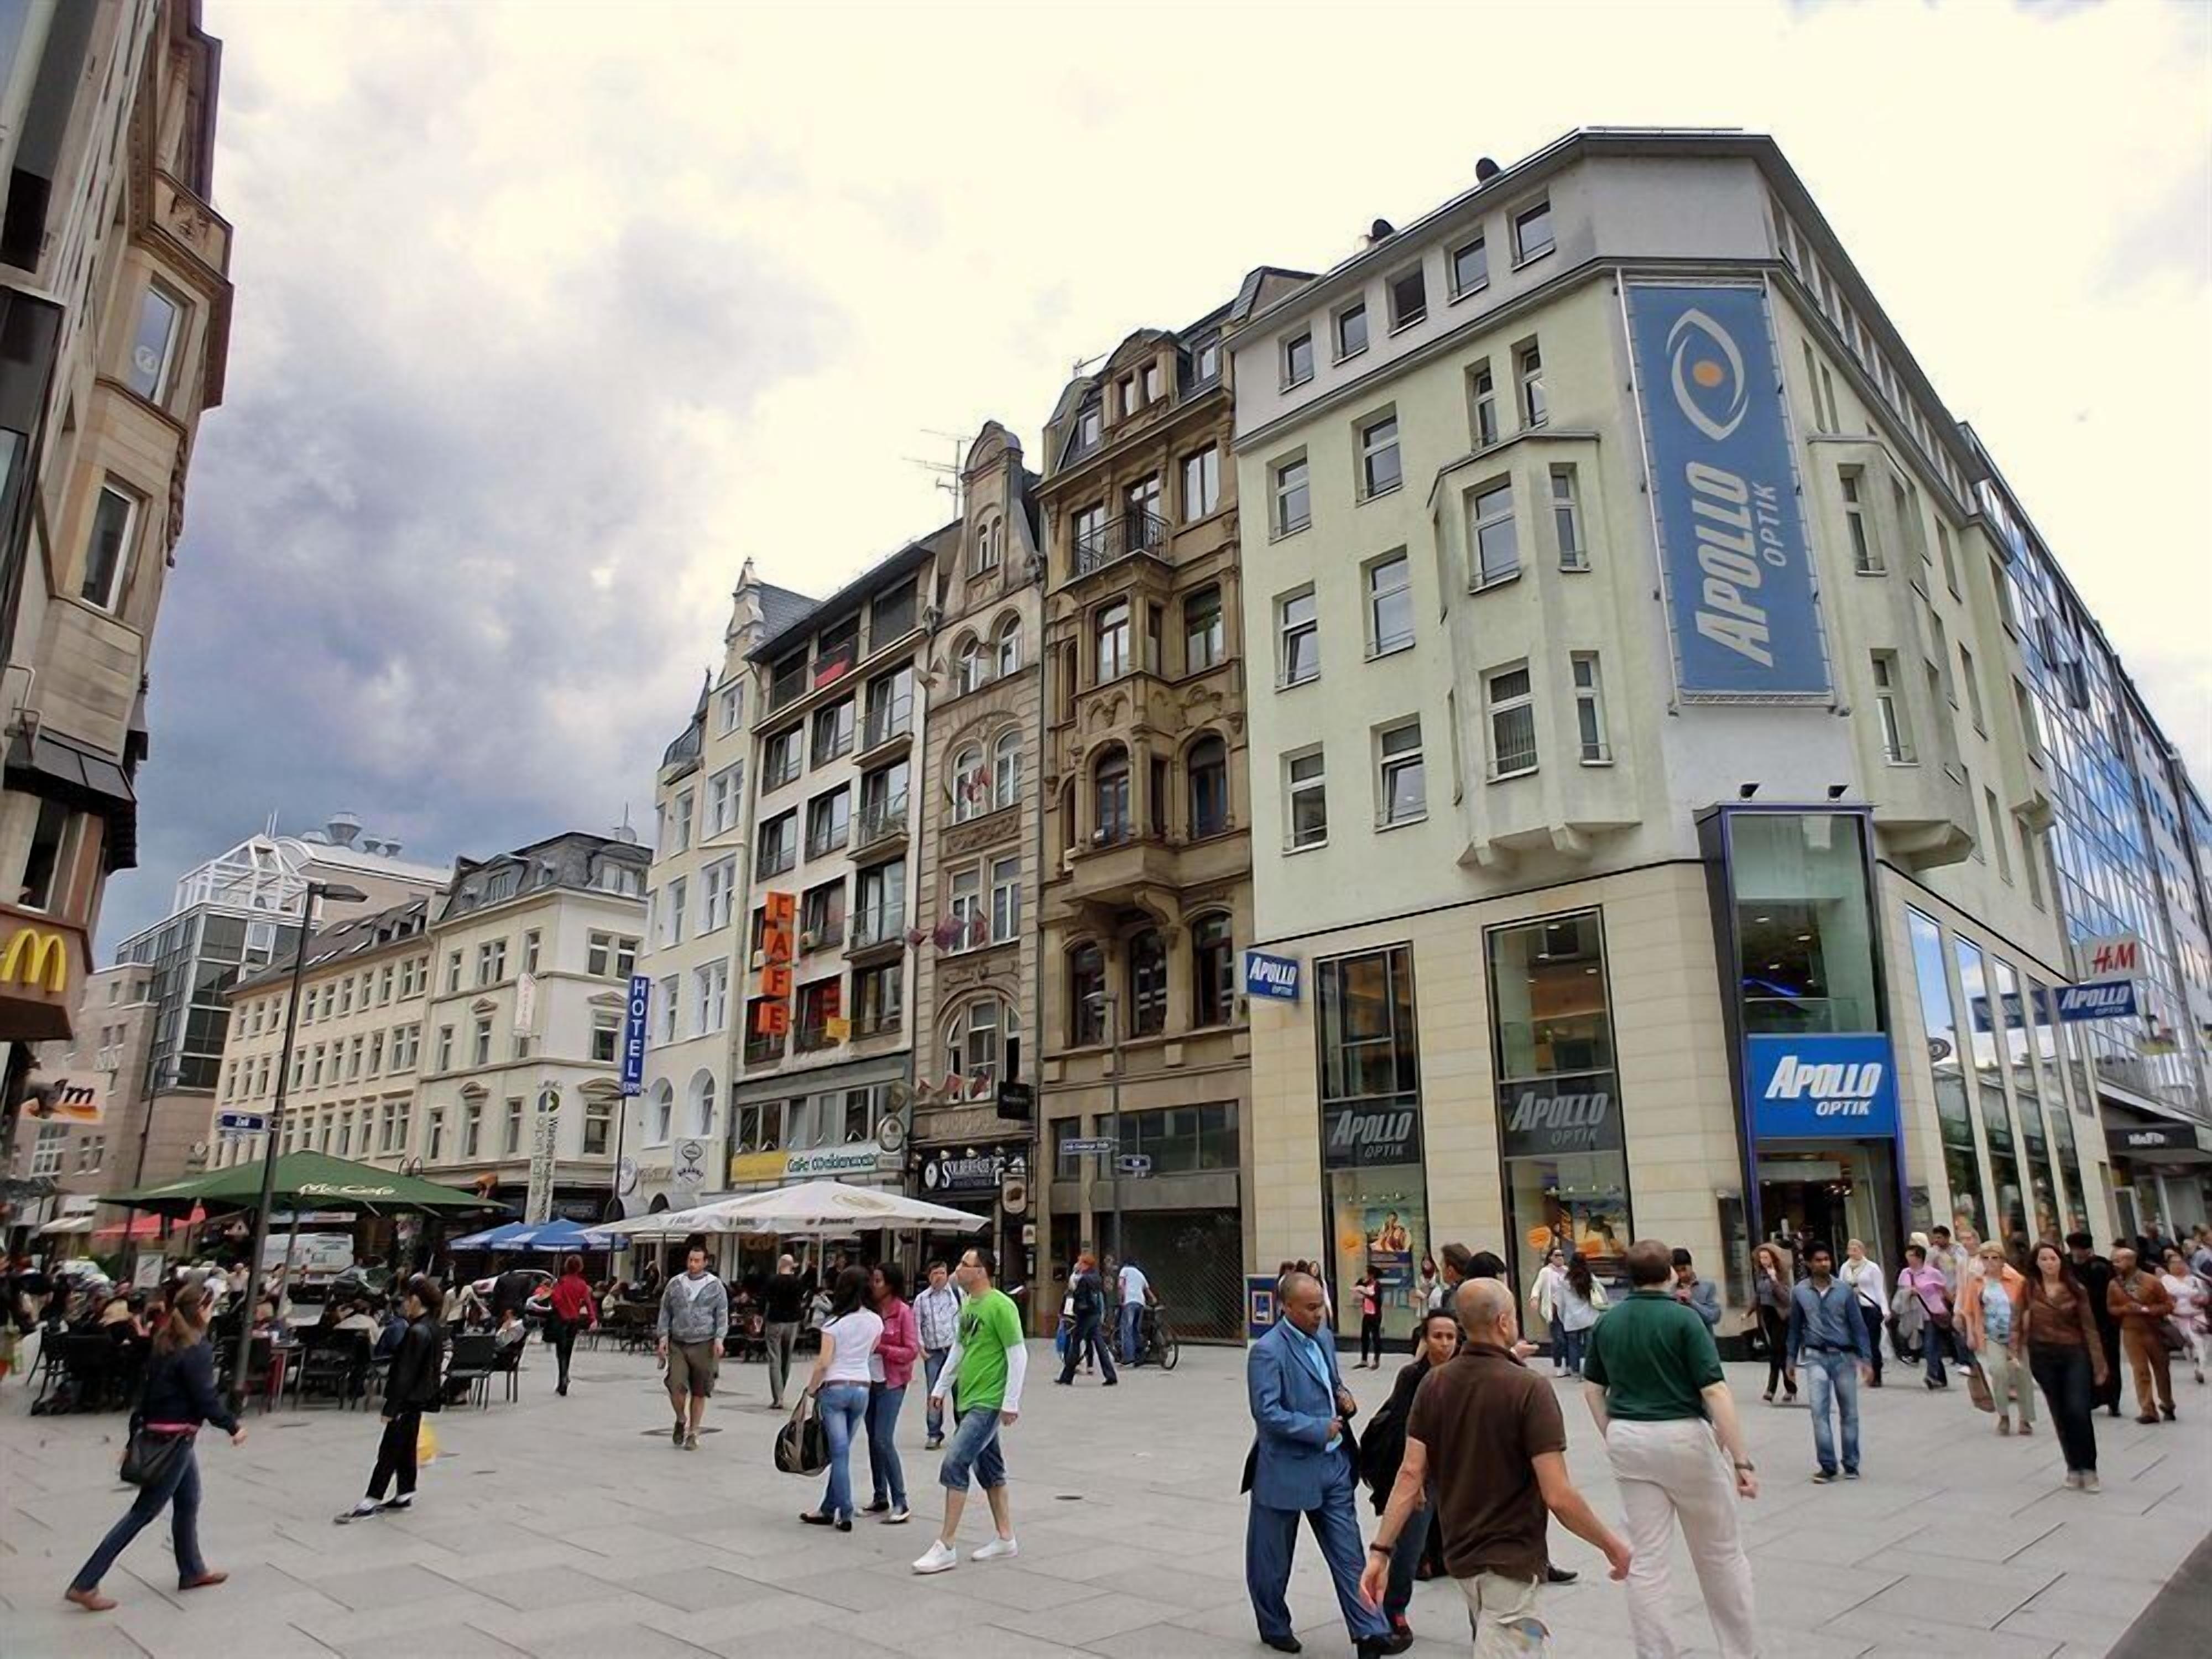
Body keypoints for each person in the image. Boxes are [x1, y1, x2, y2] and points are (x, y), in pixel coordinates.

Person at [1363, 1279, 1631, 1656]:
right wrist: (1612, 1545)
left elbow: (1409, 1475)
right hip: (1511, 1562)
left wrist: (1381, 1550)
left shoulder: (1434, 1384)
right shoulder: (1529, 1388)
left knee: (1523, 1641)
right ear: (1504, 1322)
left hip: (1463, 1556)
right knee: (1517, 1644)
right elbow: (1558, 1494)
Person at [1575, 1239, 1759, 1657]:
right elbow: (1714, 1391)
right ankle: (1741, 1651)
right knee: (1721, 1555)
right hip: (1684, 1434)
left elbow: (1592, 1389)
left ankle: (1655, 1653)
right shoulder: (1684, 1319)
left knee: (1646, 1562)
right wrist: (1741, 1460)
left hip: (1628, 1436)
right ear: (1671, 1273)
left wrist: (1612, 1433)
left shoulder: (1608, 1322)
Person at [64, 1284, 245, 1612]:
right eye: (211, 1306)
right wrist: (233, 1426)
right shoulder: (197, 1348)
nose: (212, 1312)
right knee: (143, 1512)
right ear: (201, 1310)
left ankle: (192, 1570)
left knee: (188, 1500)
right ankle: (85, 1583)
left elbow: (145, 1396)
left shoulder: (166, 1342)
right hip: (175, 1441)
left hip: (164, 1435)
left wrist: (135, 1435)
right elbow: (205, 1398)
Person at [1241, 1271, 1392, 1657]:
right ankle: (1274, 1625)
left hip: (1334, 1465)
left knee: (1349, 1553)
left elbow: (1331, 1383)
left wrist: (1343, 1396)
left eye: (1320, 1306)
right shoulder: (1268, 1351)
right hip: (1285, 1470)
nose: (1318, 1314)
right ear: (1286, 1307)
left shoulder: (1323, 1338)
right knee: (1271, 1562)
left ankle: (1370, 1632)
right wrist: (1315, 1428)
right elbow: (1267, 1413)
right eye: (1309, 1308)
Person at [912, 1246, 1025, 1574]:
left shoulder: (1000, 1305)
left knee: (955, 1463)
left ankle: (946, 1545)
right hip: (969, 1397)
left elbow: (1018, 1354)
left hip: (988, 1401)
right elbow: (960, 1349)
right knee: (990, 1470)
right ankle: (1006, 1538)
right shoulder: (968, 1306)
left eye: (964, 1264)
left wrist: (1010, 1402)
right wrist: (940, 1388)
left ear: (981, 1272)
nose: (957, 1270)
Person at [1358, 1306, 1460, 1650]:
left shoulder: (1465, 1375)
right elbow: (1401, 1428)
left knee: (1473, 1547)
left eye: (1450, 1337)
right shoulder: (1412, 1376)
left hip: (1459, 1474)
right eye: (1438, 1336)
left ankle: (1485, 1622)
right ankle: (1394, 1611)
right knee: (1408, 1546)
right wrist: (1412, 1482)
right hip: (1422, 1475)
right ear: (1425, 1339)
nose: (1444, 1343)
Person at [335, 1277, 442, 1524]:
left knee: (390, 1449)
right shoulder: (433, 1327)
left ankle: (371, 1499)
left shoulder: (416, 1331)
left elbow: (405, 1372)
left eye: (407, 1299)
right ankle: (405, 1492)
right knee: (406, 1445)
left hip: (406, 1400)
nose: (404, 1304)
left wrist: (392, 1406)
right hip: (419, 1398)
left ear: (416, 1300)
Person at [2021, 1241, 2109, 1492]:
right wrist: (2014, 1351)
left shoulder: (2075, 1289)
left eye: (2054, 1259)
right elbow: (2018, 1320)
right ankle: (2073, 1466)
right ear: (2036, 1263)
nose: (2049, 1263)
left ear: (2061, 1261)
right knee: (2060, 1412)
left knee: (2078, 1409)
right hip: (2043, 1355)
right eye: (2044, 1259)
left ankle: (2089, 1468)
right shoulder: (2029, 1289)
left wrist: (2099, 1363)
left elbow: (2090, 1328)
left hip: (2074, 1352)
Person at [800, 1266, 882, 1531]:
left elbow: (824, 1362)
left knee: (839, 1452)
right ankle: (827, 1508)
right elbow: (870, 1351)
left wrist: (812, 1389)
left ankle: (844, 1509)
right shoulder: (876, 1321)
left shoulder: (834, 1324)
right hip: (862, 1387)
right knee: (843, 1450)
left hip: (835, 1388)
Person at [1785, 1241, 1872, 1483]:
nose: (1824, 1264)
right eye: (1819, 1260)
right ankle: (1828, 1465)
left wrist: (1866, 1359)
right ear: (1809, 1264)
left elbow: (1858, 1327)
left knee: (1849, 1413)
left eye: (1827, 1259)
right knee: (1819, 1412)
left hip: (1844, 1356)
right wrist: (1790, 1359)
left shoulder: (1844, 1291)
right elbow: (1795, 1327)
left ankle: (1851, 1464)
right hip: (1815, 1356)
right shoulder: (1800, 1292)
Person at [655, 1238, 728, 1450]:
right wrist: (663, 1337)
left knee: (699, 1389)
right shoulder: (676, 1284)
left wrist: (719, 1338)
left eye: (697, 1261)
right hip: (679, 1342)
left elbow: (722, 1313)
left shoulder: (715, 1286)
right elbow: (665, 1311)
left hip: (704, 1342)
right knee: (675, 1385)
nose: (693, 1264)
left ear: (706, 1262)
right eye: (690, 1260)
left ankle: (694, 1432)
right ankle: (681, 1418)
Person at [862, 1261, 917, 1524]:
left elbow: (911, 1351)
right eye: (873, 1280)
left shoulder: (903, 1312)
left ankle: (901, 1500)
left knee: (884, 1438)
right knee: (873, 1439)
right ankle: (880, 1495)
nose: (874, 1285)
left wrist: (882, 1349)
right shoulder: (869, 1310)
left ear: (891, 1285)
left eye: (878, 1281)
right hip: (868, 1380)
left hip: (892, 1382)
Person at [1962, 1239, 2034, 1437]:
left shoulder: (2017, 1281)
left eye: (1995, 1258)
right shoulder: (1977, 1282)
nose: (1990, 1262)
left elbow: (2028, 1307)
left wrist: (2027, 1328)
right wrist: (1971, 1333)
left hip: (2016, 1335)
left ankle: (2025, 1418)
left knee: (2022, 1375)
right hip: (1991, 1334)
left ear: (2003, 1260)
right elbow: (1969, 1310)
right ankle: (2004, 1415)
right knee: (1998, 1371)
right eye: (1985, 1258)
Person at [2106, 1246, 2177, 1423]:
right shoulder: (2114, 1285)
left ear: (2132, 1261)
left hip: (2153, 1330)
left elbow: (2168, 1305)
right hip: (2131, 1331)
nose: (2115, 1264)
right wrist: (2124, 1309)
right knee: (2140, 1371)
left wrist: (2147, 1310)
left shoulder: (2151, 1281)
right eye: (2114, 1261)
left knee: (2161, 1369)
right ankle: (2148, 1410)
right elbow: (2111, 1308)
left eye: (2119, 1261)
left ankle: (2167, 1403)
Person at [2066, 1232, 2123, 1417]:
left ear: (2089, 1250)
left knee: (2110, 1360)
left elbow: (2112, 1293)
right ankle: (2090, 1398)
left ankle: (2113, 1399)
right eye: (2073, 1249)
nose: (2076, 1254)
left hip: (2105, 1322)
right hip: (2078, 1322)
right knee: (2083, 1362)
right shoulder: (2066, 1265)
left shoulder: (2102, 1267)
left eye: (2080, 1250)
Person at [913, 1259, 960, 1451]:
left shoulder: (957, 1294)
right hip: (933, 1352)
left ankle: (962, 1430)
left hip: (955, 1350)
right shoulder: (922, 1300)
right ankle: (934, 1433)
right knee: (934, 1392)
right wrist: (921, 1347)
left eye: (942, 1273)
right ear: (929, 1277)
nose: (939, 1277)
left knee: (959, 1391)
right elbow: (917, 1325)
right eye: (935, 1274)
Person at [1897, 1243, 1955, 1389]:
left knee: (1930, 1345)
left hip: (1933, 1313)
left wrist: (1955, 1308)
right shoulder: (1905, 1273)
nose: (1909, 1258)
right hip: (1915, 1315)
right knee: (1930, 1346)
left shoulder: (1932, 1273)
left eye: (1912, 1255)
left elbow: (1945, 1291)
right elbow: (1901, 1293)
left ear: (1920, 1257)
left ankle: (1932, 1375)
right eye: (1908, 1255)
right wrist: (1908, 1293)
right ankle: (1940, 1377)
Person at [1055, 1253, 1117, 1386]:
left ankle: (1067, 1376)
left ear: (1086, 1264)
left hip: (1085, 1316)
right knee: (1100, 1345)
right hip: (1095, 1314)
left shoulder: (1084, 1279)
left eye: (1080, 1262)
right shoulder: (1097, 1278)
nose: (1078, 1265)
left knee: (1076, 1343)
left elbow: (1080, 1298)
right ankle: (1111, 1375)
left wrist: (1075, 1310)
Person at [546, 1253, 597, 1397]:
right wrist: (593, 1319)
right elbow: (588, 1302)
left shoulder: (561, 1282)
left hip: (561, 1319)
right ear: (580, 1267)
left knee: (560, 1351)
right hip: (574, 1320)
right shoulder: (582, 1284)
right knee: (568, 1350)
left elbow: (555, 1299)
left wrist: (561, 1308)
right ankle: (565, 1376)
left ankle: (562, 1378)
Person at [1838, 1239, 1887, 1386]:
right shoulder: (1845, 1267)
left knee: (1872, 1342)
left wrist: (1884, 1309)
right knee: (1857, 1342)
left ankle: (1876, 1374)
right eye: (1850, 1249)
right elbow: (1841, 1287)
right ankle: (1865, 1370)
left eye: (1856, 1249)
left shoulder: (1872, 1267)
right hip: (1853, 1308)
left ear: (1862, 1250)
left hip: (1870, 1307)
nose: (1853, 1252)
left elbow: (1879, 1289)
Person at [762, 1253, 808, 1410]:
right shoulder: (798, 1282)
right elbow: (802, 1299)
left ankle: (778, 1397)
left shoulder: (772, 1281)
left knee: (775, 1357)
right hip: (793, 1322)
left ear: (780, 1264)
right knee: (787, 1357)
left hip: (775, 1321)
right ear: (792, 1265)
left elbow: (765, 1299)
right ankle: (782, 1388)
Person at [1751, 1244, 1795, 1402]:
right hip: (1767, 1314)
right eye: (1761, 1258)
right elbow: (1758, 1296)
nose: (1763, 1261)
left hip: (1780, 1316)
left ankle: (1771, 1389)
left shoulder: (1782, 1274)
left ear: (1773, 1259)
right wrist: (1749, 1312)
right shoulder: (1760, 1275)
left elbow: (1786, 1299)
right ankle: (1791, 1387)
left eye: (1766, 1258)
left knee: (1777, 1351)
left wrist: (1774, 1279)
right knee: (1779, 1353)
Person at [2157, 1245, 2206, 1386]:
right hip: (2177, 1317)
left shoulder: (2195, 1280)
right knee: (2189, 1343)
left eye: (2180, 1262)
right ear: (2169, 1266)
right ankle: (2195, 1361)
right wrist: (2191, 1293)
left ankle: (2200, 1369)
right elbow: (2169, 1294)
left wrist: (2201, 1299)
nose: (2178, 1265)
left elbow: (2205, 1295)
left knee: (2200, 1342)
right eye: (2174, 1263)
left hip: (2197, 1315)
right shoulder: (2166, 1280)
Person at [1554, 1254, 1606, 1378]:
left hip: (1571, 1318)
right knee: (1590, 1346)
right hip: (1589, 1317)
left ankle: (1575, 1371)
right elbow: (1602, 1292)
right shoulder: (1590, 1278)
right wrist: (1603, 1303)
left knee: (1573, 1346)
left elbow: (1561, 1302)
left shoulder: (1564, 1281)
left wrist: (1562, 1317)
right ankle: (1589, 1370)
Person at [1528, 1247, 1569, 1374]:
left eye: (1562, 1255)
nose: (1560, 1258)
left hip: (1568, 1309)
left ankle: (1569, 1365)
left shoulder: (1567, 1271)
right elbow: (1537, 1286)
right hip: (1554, 1309)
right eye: (1557, 1255)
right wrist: (1535, 1298)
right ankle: (1558, 1365)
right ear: (1551, 1257)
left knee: (1569, 1339)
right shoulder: (1546, 1272)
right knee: (1559, 1339)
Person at [1670, 1249, 1722, 1333]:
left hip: (1704, 1338)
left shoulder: (1708, 1286)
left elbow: (1715, 1318)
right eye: (1677, 1271)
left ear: (1691, 1266)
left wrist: (1692, 1302)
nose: (1682, 1274)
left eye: (1684, 1269)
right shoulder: (1671, 1291)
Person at [1118, 1254, 1154, 1365]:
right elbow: (1148, 1290)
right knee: (1136, 1329)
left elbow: (1121, 1286)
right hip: (1140, 1303)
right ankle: (1140, 1354)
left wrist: (1121, 1299)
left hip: (1130, 1301)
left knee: (1127, 1329)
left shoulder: (1125, 1270)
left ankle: (1129, 1357)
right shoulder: (1140, 1274)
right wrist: (1153, 1300)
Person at [1354, 1272, 1384, 1370]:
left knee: (1376, 1337)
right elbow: (1357, 1285)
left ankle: (1376, 1360)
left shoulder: (1377, 1285)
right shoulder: (1366, 1285)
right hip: (1367, 1314)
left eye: (1369, 1275)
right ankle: (1364, 1360)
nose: (1367, 1276)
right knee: (1364, 1337)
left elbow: (1377, 1299)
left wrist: (1366, 1294)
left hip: (1375, 1315)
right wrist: (1362, 1281)